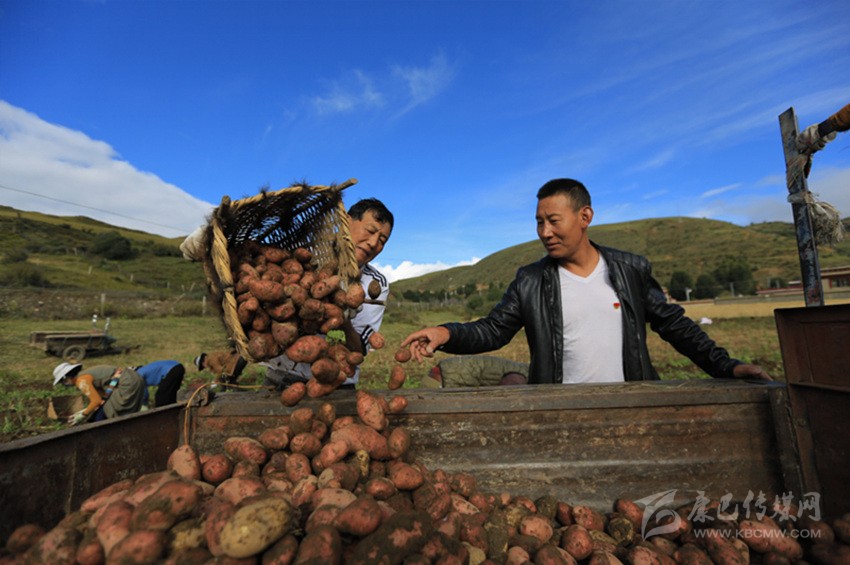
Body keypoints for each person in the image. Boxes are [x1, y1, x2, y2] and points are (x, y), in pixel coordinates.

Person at [402, 178, 771, 384]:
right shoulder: (530, 281)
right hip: (561, 410)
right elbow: (493, 330)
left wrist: (726, 366)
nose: (544, 232)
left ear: (585, 216)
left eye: (553, 220)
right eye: (539, 222)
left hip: (633, 405)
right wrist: (446, 333)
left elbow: (675, 326)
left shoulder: (629, 270)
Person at [263, 197, 394, 391]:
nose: (374, 243)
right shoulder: (306, 259)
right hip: (280, 375)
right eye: (370, 230)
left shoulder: (375, 284)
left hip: (335, 383)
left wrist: (344, 321)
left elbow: (359, 350)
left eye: (382, 240)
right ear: (346, 222)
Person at [52, 362, 146, 425]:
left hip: (127, 382)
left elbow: (96, 401)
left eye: (62, 382)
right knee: (105, 407)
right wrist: (86, 410)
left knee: (110, 409)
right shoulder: (85, 374)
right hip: (134, 378)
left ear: (66, 378)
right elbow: (101, 399)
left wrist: (82, 415)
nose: (64, 384)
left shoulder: (81, 381)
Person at [425, 355, 529, 388]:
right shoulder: (521, 374)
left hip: (441, 370)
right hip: (443, 375)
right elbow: (507, 395)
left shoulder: (516, 368)